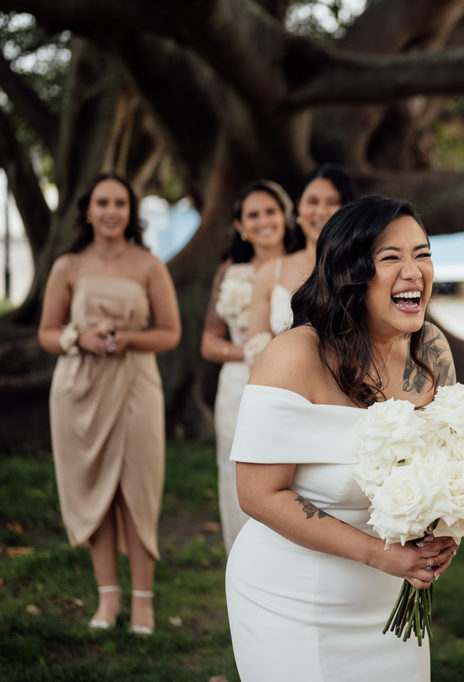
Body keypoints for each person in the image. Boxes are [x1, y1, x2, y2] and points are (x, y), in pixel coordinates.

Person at [224, 195, 458, 681]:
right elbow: (257, 494)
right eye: (391, 257)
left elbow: (452, 458)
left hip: (390, 605)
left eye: (423, 254)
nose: (413, 271)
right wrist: (380, 555)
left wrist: (447, 528)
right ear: (350, 273)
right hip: (292, 600)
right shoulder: (294, 355)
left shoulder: (431, 350)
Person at [37, 172, 181, 635]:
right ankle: (108, 598)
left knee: (136, 488)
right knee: (94, 487)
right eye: (102, 202)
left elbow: (170, 333)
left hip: (136, 384)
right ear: (87, 210)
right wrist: (79, 337)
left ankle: (143, 601)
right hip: (80, 389)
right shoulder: (68, 266)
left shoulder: (149, 265)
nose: (111, 211)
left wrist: (127, 339)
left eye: (120, 203)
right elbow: (47, 333)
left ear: (130, 211)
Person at [200, 180, 302, 552]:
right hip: (236, 386)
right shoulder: (230, 271)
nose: (263, 221)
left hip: (292, 383)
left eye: (270, 212)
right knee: (236, 474)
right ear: (240, 225)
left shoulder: (303, 264)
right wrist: (248, 352)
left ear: (285, 217)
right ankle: (240, 555)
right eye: (253, 215)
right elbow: (209, 342)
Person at [245, 164, 358, 361]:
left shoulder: (361, 270)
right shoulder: (270, 272)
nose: (321, 211)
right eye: (312, 201)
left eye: (332, 202)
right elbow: (257, 350)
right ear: (299, 207)